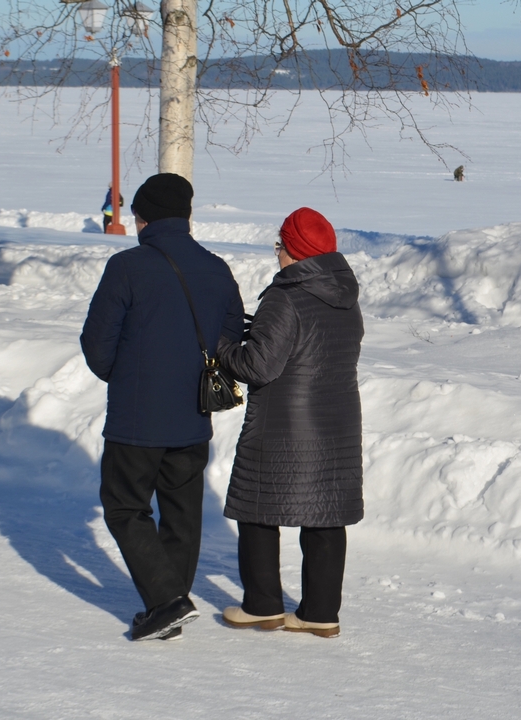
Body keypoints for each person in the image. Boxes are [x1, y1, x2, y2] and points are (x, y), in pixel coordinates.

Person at [80, 173, 245, 641]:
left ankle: (166, 601)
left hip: (137, 418)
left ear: (143, 218)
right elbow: (232, 337)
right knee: (181, 512)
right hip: (193, 415)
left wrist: (128, 376)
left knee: (124, 506)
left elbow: (97, 344)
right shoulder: (216, 268)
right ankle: (170, 602)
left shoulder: (128, 267)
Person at [215, 207, 364, 638]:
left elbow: (259, 366)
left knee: (258, 510)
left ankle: (262, 605)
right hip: (337, 424)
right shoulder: (346, 295)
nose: (277, 255)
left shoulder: (287, 295)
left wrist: (224, 347)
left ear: (295, 250)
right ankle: (320, 613)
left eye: (280, 246)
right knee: (325, 516)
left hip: (284, 424)